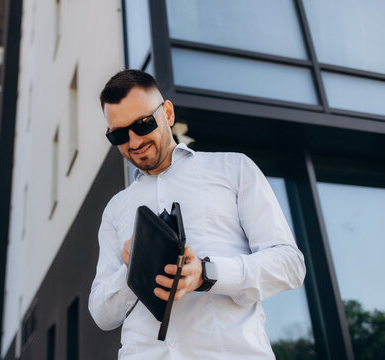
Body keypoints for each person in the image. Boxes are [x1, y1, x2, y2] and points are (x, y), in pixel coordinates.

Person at [88, 69, 306, 359]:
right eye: (118, 134)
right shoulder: (116, 209)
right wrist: (133, 270)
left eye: (142, 124)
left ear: (167, 113)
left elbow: (290, 265)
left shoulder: (233, 170)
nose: (134, 142)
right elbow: (101, 314)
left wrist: (207, 273)